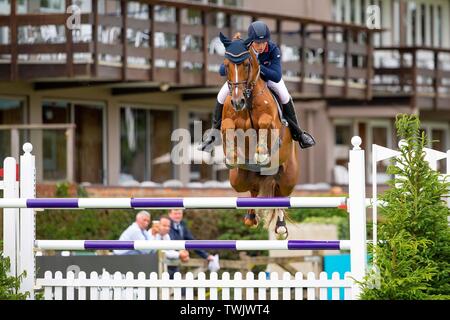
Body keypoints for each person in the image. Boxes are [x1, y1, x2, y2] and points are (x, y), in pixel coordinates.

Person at [199, 20, 316, 152]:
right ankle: (213, 134)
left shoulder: (273, 49)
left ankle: (298, 133)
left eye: (263, 42)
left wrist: (258, 68)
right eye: (257, 43)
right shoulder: (243, 48)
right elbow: (222, 70)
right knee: (221, 96)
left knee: (284, 95)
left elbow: (276, 75)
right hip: (243, 80)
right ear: (251, 41)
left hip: (268, 78)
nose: (260, 46)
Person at [168, 209, 214, 279]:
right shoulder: (166, 224)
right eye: (175, 213)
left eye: (179, 213)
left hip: (176, 261)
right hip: (167, 260)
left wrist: (205, 255)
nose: (178, 216)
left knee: (179, 287)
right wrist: (180, 253)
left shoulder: (182, 224)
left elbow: (191, 241)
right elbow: (171, 242)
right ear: (170, 214)